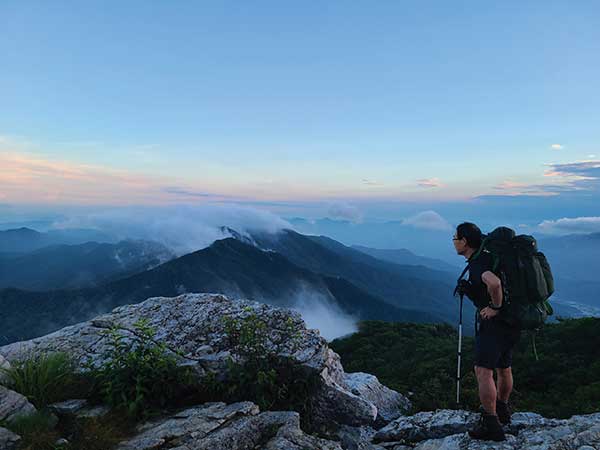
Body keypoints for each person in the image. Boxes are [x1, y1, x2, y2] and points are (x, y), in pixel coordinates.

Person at [453, 222, 520, 442]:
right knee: (504, 367)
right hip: (512, 321)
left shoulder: (478, 262)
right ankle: (502, 410)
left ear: (464, 241)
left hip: (495, 323)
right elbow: (487, 287)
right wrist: (472, 291)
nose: (453, 242)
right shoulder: (490, 256)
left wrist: (495, 307)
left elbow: (494, 283)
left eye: (455, 238)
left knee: (483, 371)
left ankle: (491, 424)